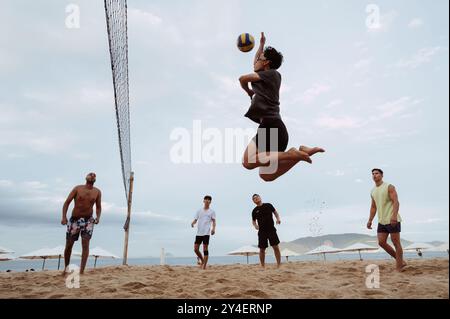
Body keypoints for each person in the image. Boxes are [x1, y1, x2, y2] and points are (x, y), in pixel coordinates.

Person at [239, 32, 324, 182]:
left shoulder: (273, 74)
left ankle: (291, 154)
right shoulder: (263, 74)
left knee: (248, 162)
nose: (256, 61)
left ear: (266, 63)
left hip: (273, 127)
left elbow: (243, 79)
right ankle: (299, 153)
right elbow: (256, 62)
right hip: (268, 128)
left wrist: (248, 91)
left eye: (260, 58)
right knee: (265, 175)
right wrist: (261, 45)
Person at [61, 172, 102, 275]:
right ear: (86, 178)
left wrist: (98, 217)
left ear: (95, 179)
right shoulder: (78, 188)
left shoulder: (97, 192)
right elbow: (67, 202)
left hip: (88, 221)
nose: (92, 174)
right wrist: (64, 217)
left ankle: (82, 271)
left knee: (85, 244)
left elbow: (98, 207)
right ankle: (66, 269)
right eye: (90, 174)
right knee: (69, 245)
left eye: (94, 175)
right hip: (75, 220)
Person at [367, 168, 406, 272]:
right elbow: (373, 207)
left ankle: (399, 267)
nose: (374, 175)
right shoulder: (373, 191)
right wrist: (370, 220)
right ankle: (400, 261)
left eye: (377, 173)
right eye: (373, 174)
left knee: (396, 243)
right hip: (382, 221)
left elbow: (396, 202)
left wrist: (394, 216)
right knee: (381, 242)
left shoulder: (389, 186)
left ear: (382, 175)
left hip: (392, 219)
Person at [251, 194, 281, 268]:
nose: (256, 199)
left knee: (275, 247)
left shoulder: (268, 205)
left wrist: (278, 219)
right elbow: (253, 221)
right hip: (262, 231)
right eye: (254, 198)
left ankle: (279, 264)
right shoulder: (254, 211)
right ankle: (263, 266)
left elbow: (275, 212)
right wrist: (255, 226)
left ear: (260, 198)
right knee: (262, 249)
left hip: (271, 229)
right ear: (253, 201)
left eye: (257, 197)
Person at [191, 195, 216, 270]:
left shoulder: (212, 212)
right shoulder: (199, 211)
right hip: (199, 233)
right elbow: (195, 219)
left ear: (210, 202)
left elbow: (214, 221)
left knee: (205, 248)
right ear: (203, 201)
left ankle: (204, 266)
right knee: (195, 249)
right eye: (206, 199)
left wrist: (213, 229)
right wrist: (193, 223)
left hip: (206, 233)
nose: (207, 200)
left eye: (209, 200)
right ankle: (202, 260)